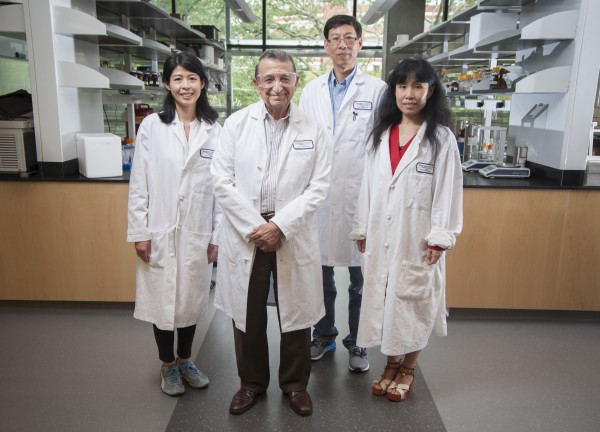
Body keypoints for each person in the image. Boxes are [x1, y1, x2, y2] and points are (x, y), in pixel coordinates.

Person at [211, 49, 330, 417]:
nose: (277, 86)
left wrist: (280, 226)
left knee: (295, 313)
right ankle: (251, 384)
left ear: (296, 81)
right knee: (247, 313)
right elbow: (221, 180)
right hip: (247, 232)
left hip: (291, 232)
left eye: (284, 78)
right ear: (256, 84)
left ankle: (295, 386)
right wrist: (257, 227)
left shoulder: (314, 128)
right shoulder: (235, 124)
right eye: (269, 78)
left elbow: (320, 185)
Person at [351, 57, 463, 402]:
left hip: (418, 239)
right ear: (394, 91)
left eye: (417, 86)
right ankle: (390, 363)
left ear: (431, 92)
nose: (409, 94)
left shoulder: (441, 139)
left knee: (414, 302)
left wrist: (439, 238)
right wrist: (362, 228)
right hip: (382, 236)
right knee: (387, 301)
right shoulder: (382, 135)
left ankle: (408, 367)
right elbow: (368, 186)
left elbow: (448, 191)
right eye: (402, 86)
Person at [127, 52, 221, 397]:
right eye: (178, 78)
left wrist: (217, 236)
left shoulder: (215, 130)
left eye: (192, 78)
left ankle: (186, 359)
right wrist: (140, 231)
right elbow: (139, 183)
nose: (185, 85)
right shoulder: (152, 125)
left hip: (197, 229)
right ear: (167, 83)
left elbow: (222, 189)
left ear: (203, 84)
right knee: (162, 298)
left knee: (192, 299)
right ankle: (167, 365)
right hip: (160, 228)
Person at [298, 14, 386, 372]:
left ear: (360, 44)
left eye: (350, 38)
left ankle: (359, 342)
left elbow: (381, 145)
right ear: (326, 46)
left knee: (360, 276)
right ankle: (324, 333)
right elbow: (303, 143)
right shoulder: (311, 90)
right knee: (320, 274)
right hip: (319, 194)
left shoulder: (377, 90)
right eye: (335, 38)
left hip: (359, 194)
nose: (342, 45)